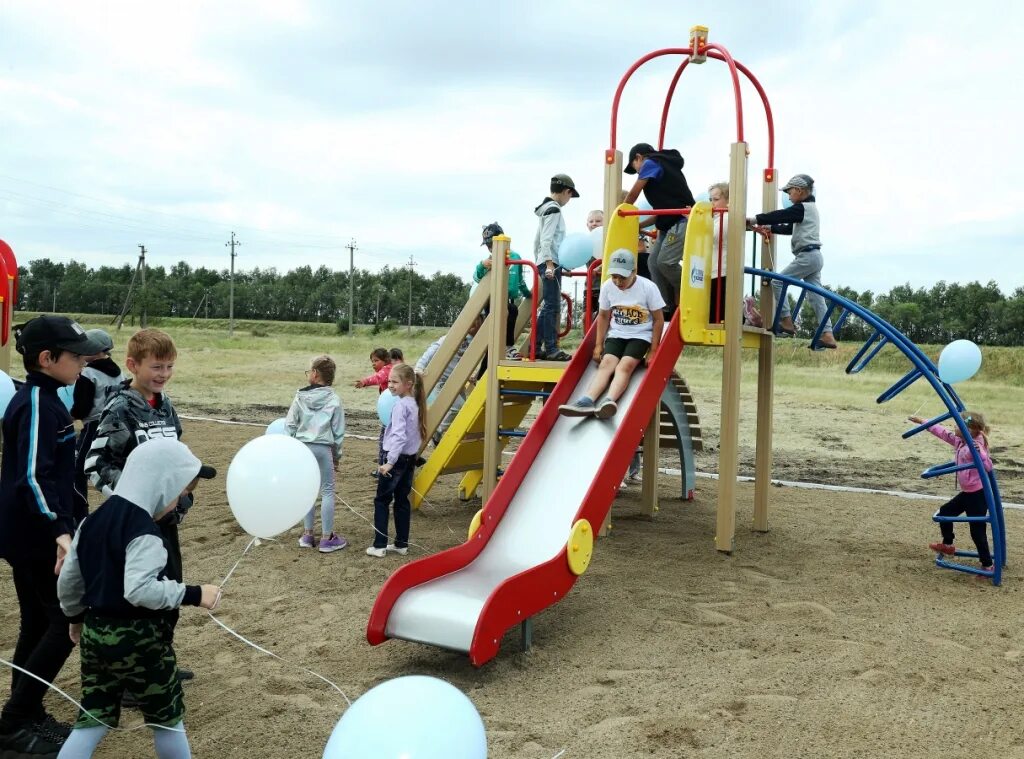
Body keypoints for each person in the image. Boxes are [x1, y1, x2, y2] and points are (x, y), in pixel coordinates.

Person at [56, 438, 220, 758]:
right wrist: (195, 593)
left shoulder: (93, 521)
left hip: (95, 635)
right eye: (181, 493)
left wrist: (75, 619)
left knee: (92, 715)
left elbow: (69, 581)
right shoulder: (144, 530)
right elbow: (139, 589)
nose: (179, 502)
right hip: (141, 641)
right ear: (162, 483)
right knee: (167, 720)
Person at [0, 316, 107, 756]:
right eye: (76, 356)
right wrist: (61, 532)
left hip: (35, 532)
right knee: (64, 623)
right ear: (47, 359)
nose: (84, 362)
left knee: (39, 621)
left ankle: (27, 714)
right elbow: (31, 475)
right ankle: (14, 724)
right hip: (37, 536)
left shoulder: (47, 399)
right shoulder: (39, 404)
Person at [83, 328, 196, 686]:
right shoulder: (120, 408)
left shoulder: (166, 406)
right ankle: (134, 678)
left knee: (170, 590)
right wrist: (135, 499)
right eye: (156, 366)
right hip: (134, 527)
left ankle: (158, 662)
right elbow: (95, 464)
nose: (163, 374)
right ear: (133, 364)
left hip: (166, 524)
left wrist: (183, 494)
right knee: (139, 597)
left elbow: (175, 457)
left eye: (169, 367)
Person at [559, 249, 665, 419]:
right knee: (606, 363)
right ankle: (587, 400)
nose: (617, 281)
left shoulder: (648, 287)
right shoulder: (608, 286)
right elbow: (603, 316)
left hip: (640, 335)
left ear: (634, 272)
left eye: (622, 277)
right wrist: (599, 344)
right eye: (614, 276)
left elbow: (659, 320)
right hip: (617, 334)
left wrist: (653, 350)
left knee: (625, 365)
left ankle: (609, 401)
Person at [747, 173, 836, 349]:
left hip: (808, 256)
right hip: (814, 256)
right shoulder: (808, 210)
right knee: (816, 296)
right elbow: (788, 228)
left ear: (799, 190)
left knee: (778, 281)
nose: (788, 196)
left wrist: (755, 219)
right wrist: (767, 227)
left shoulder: (803, 207)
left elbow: (782, 215)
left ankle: (786, 321)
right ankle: (828, 334)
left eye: (789, 192)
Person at [909, 412, 995, 574]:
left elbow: (988, 466)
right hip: (968, 492)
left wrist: (981, 454)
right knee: (945, 511)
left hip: (978, 494)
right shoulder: (961, 441)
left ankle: (988, 566)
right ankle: (948, 544)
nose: (953, 427)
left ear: (968, 430)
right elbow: (941, 432)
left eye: (957, 425)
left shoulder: (974, 446)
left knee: (977, 531)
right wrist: (922, 421)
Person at [623, 142, 696, 314]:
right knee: (653, 263)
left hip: (681, 220)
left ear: (639, 157)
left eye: (635, 168)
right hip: (669, 222)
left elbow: (634, 193)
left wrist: (622, 211)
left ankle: (692, 292)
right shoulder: (663, 175)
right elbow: (660, 213)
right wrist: (639, 225)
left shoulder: (651, 162)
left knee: (665, 262)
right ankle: (665, 306)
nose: (638, 173)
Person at [286, 355, 347, 553]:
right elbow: (338, 432)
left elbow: (290, 425)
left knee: (308, 490)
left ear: (314, 374)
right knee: (327, 490)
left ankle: (307, 533)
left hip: (303, 447)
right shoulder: (334, 399)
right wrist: (336, 456)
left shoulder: (299, 397)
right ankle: (327, 537)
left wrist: (293, 446)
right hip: (323, 448)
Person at [366, 364, 425, 558]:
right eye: (389, 381)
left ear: (408, 384)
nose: (390, 385)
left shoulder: (401, 406)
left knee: (382, 500)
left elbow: (399, 436)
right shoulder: (414, 404)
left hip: (396, 459)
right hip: (408, 459)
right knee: (401, 500)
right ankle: (401, 543)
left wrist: (390, 462)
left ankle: (379, 544)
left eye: (394, 382)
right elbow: (414, 436)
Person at [69, 329, 124, 523]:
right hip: (117, 426)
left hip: (94, 427)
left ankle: (80, 514)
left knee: (77, 469)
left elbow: (82, 408)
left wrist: (68, 416)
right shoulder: (119, 372)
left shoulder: (87, 373)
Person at [415, 316, 482, 444]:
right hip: (442, 378)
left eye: (479, 320)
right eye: (473, 319)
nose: (475, 322)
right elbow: (431, 350)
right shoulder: (451, 338)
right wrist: (419, 367)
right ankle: (437, 431)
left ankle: (438, 437)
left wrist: (473, 375)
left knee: (461, 408)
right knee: (457, 406)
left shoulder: (477, 341)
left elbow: (474, 360)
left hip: (458, 380)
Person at [533, 174, 579, 361]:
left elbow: (538, 240)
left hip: (547, 261)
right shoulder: (554, 210)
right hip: (549, 261)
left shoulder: (546, 209)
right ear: (566, 191)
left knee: (549, 306)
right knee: (552, 306)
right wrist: (550, 264)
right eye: (570, 196)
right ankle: (551, 348)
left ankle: (536, 347)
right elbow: (546, 239)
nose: (569, 200)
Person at [706, 182, 763, 327]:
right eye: (710, 199)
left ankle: (745, 312)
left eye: (716, 199)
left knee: (719, 315)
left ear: (729, 201)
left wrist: (695, 223)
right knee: (719, 311)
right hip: (715, 269)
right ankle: (745, 312)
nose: (712, 203)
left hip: (721, 269)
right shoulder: (718, 218)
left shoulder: (725, 218)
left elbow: (712, 236)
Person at [475, 222, 531, 361]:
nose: (490, 249)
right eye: (488, 246)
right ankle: (506, 347)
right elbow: (476, 277)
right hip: (492, 300)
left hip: (507, 299)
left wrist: (528, 294)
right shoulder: (490, 261)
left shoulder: (515, 257)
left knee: (512, 310)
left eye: (492, 245)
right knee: (507, 312)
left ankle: (508, 347)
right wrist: (482, 265)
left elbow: (520, 280)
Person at [585, 210, 604, 328]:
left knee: (600, 316)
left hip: (603, 286)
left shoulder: (606, 240)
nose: (594, 223)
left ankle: (599, 341)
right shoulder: (585, 243)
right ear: (587, 225)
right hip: (589, 286)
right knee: (585, 317)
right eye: (591, 221)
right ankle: (584, 341)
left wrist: (600, 267)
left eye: (598, 221)